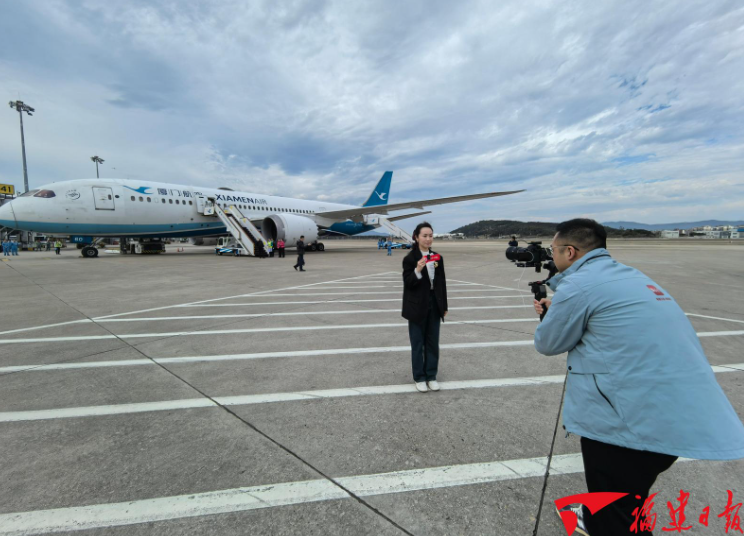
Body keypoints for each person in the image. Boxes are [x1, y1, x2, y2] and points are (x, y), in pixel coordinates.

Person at [532, 218, 744, 536]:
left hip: (628, 421)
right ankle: (597, 518)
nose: (552, 255)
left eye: (554, 249)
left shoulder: (578, 284)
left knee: (616, 510)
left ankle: (604, 522)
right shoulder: (632, 276)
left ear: (570, 252)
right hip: (675, 415)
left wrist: (554, 313)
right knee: (629, 499)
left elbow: (548, 343)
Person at [401, 222, 448, 393]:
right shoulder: (410, 259)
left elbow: (441, 283)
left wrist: (444, 305)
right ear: (416, 237)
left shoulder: (437, 258)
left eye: (430, 236)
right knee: (418, 343)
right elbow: (408, 283)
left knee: (432, 342)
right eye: (425, 236)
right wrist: (418, 270)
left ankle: (431, 376)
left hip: (434, 304)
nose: (428, 239)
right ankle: (419, 377)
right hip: (416, 306)